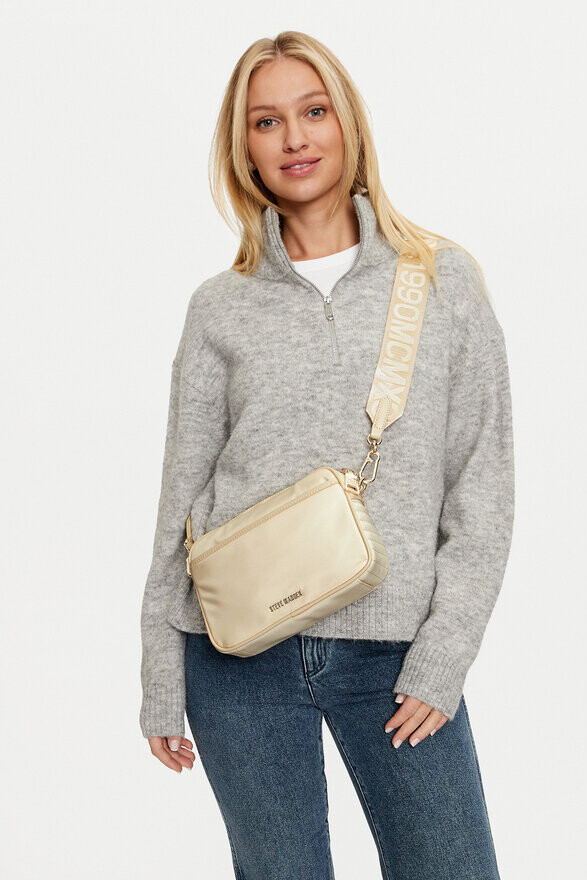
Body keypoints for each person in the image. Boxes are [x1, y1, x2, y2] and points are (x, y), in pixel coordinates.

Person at [139, 30, 515, 880]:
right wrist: (161, 673)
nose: (295, 139)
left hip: (395, 656)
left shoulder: (441, 280)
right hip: (237, 657)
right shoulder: (220, 307)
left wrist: (444, 657)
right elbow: (181, 500)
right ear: (244, 149)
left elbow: (482, 488)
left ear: (349, 124)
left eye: (314, 112)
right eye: (266, 122)